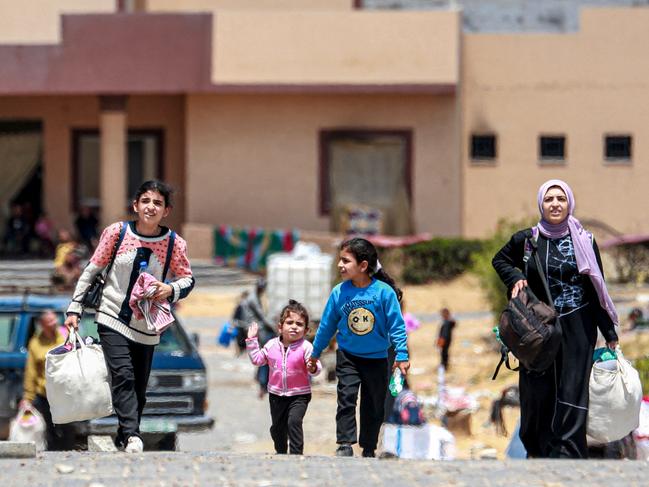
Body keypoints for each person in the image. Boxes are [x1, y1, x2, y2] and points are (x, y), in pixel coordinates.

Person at [65, 180, 195, 453]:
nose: (151, 207)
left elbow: (187, 280)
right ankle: (134, 435)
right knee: (122, 374)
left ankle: (125, 435)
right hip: (111, 315)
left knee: (138, 384)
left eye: (157, 203)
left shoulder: (174, 243)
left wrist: (169, 289)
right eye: (145, 201)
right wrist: (74, 309)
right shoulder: (117, 233)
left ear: (166, 210)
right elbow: (91, 271)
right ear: (135, 205)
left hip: (147, 325)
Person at [492, 179, 619, 459]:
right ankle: (538, 449)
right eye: (549, 199)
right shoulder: (527, 239)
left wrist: (609, 332)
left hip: (579, 327)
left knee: (573, 391)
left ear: (569, 202)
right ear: (541, 204)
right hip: (539, 331)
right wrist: (517, 277)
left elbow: (596, 288)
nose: (555, 204)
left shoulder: (585, 241)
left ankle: (569, 453)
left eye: (561, 198)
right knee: (537, 390)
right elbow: (500, 260)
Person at [308, 237, 410, 458]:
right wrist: (315, 353)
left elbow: (397, 326)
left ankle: (369, 446)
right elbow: (327, 326)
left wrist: (401, 354)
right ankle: (345, 443)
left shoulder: (384, 293)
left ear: (363, 266)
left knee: (373, 403)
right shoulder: (339, 293)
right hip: (348, 356)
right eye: (340, 260)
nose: (340, 265)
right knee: (346, 397)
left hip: (377, 358)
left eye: (346, 261)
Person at [246, 300, 321, 455]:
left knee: (294, 422)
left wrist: (312, 367)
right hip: (276, 395)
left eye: (299, 324)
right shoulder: (271, 345)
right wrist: (252, 341)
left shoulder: (306, 347)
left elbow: (316, 367)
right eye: (289, 322)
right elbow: (257, 360)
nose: (294, 326)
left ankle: (296, 455)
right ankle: (280, 452)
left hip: (299, 395)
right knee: (278, 428)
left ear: (306, 330)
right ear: (280, 327)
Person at [20, 310, 74, 450]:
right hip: (45, 393)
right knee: (49, 429)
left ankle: (69, 452)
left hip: (65, 391)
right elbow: (31, 372)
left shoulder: (65, 335)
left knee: (68, 426)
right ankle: (52, 457)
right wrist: (28, 397)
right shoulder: (35, 343)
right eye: (49, 321)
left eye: (54, 319)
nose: (54, 323)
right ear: (42, 324)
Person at [238, 278, 275, 397]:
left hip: (256, 329)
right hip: (257, 330)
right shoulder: (253, 299)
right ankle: (263, 384)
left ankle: (261, 380)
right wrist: (275, 329)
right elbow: (262, 317)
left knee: (264, 357)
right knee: (266, 356)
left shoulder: (255, 296)